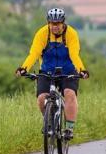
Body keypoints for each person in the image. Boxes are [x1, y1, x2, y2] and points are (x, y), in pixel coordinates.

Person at [15, 8, 89, 140]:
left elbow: (74, 55)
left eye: (58, 23)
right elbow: (34, 53)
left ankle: (69, 128)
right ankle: (48, 122)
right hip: (47, 70)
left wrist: (81, 70)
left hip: (68, 70)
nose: (55, 26)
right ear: (48, 23)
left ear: (63, 23)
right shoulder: (42, 33)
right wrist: (24, 68)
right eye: (52, 23)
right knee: (41, 98)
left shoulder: (71, 34)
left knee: (69, 94)